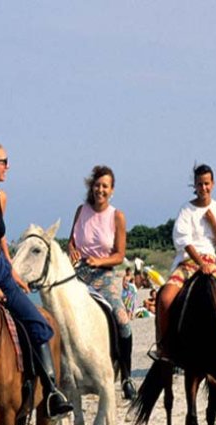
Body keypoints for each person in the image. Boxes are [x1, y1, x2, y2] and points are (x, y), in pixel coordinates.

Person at [0, 141, 72, 418]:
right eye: (3, 161)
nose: (8, 166)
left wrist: (11, 272)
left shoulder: (2, 197)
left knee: (38, 323)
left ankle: (51, 391)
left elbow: (0, 238)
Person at [155, 164, 216, 360]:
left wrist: (213, 222)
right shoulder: (186, 209)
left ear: (213, 184)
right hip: (188, 262)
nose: (203, 188)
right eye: (199, 184)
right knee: (164, 300)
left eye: (207, 184)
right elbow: (184, 241)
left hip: (212, 263)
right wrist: (199, 263)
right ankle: (165, 347)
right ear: (194, 186)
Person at [67, 165, 137, 400]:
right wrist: (73, 251)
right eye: (97, 185)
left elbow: (119, 255)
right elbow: (71, 242)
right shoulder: (81, 210)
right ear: (91, 186)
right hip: (79, 272)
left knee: (122, 320)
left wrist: (100, 261)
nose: (100, 189)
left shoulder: (117, 216)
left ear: (112, 190)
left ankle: (126, 375)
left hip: (104, 275)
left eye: (105, 186)